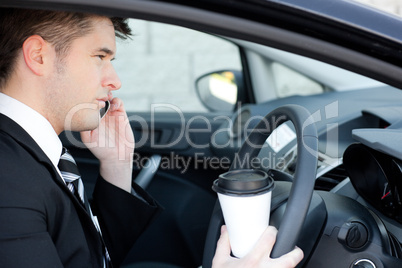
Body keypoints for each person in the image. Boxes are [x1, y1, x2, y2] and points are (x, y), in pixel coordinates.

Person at [0, 8, 303, 268]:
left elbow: (91, 255)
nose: (114, 81)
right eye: (99, 57)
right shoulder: (7, 179)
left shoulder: (28, 151)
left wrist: (117, 164)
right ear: (38, 56)